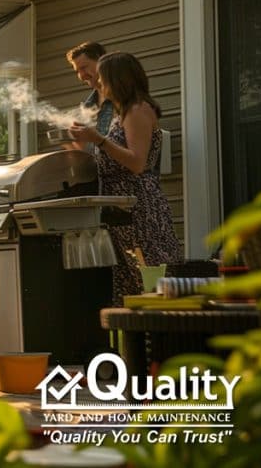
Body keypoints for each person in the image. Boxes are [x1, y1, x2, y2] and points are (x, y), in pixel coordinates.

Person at [69, 52, 182, 306]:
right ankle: (135, 345)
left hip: (140, 211)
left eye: (102, 78)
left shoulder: (137, 110)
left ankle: (160, 343)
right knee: (131, 291)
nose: (99, 84)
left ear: (118, 80)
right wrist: (82, 141)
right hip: (121, 215)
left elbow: (137, 162)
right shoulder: (121, 114)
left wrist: (98, 139)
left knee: (152, 286)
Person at [65, 41, 113, 152]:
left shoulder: (124, 99)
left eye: (84, 67)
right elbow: (91, 151)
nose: (81, 76)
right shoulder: (88, 106)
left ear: (102, 62)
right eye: (77, 71)